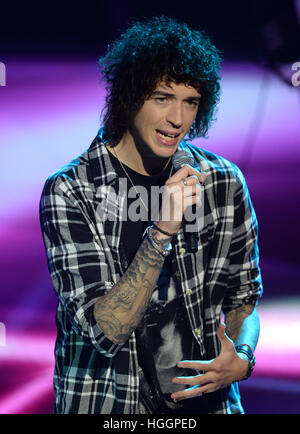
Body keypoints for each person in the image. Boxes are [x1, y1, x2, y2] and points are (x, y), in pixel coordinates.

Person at [39, 16, 262, 414]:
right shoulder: (72, 190)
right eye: (162, 98)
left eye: (190, 102)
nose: (177, 119)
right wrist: (161, 230)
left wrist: (243, 355)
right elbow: (105, 330)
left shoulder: (222, 182)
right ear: (129, 96)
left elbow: (244, 300)